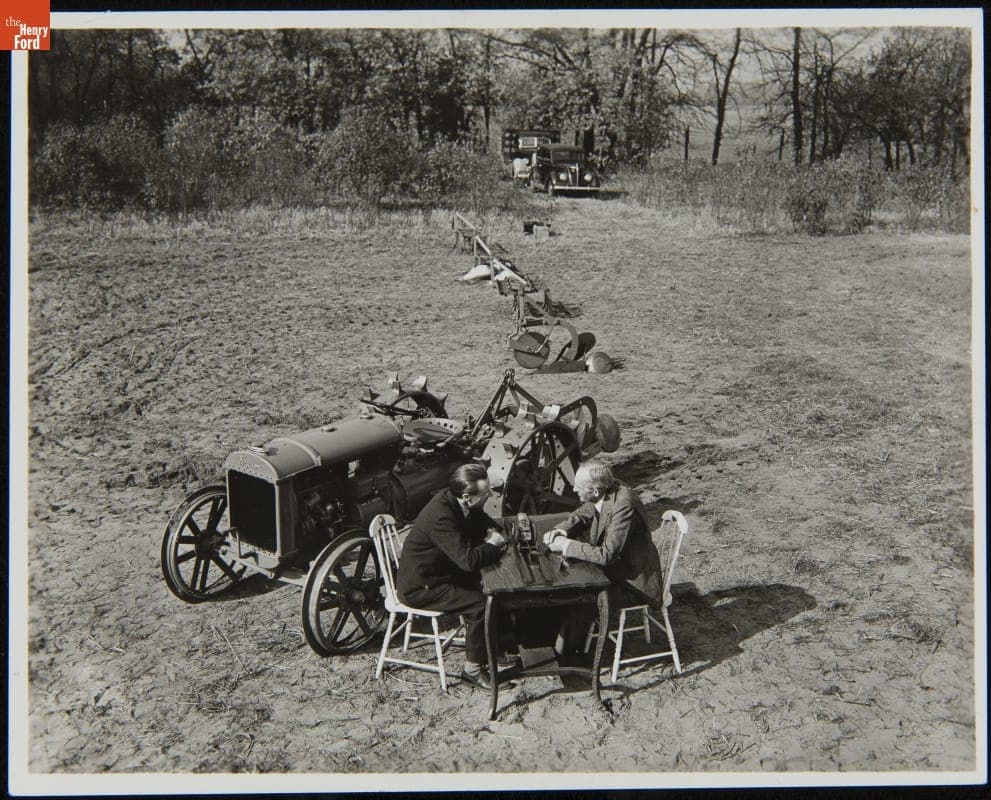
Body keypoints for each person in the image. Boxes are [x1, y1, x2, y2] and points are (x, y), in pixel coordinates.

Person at [397, 463, 509, 689]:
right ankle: (472, 671)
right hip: (422, 586)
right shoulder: (442, 517)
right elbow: (468, 562)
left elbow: (478, 518)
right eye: (486, 493)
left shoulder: (456, 499)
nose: (490, 495)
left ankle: (493, 650)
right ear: (467, 496)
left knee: (495, 589)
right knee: (481, 605)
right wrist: (493, 545)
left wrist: (495, 530)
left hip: (440, 572)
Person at [542, 460, 663, 659]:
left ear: (596, 491)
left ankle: (568, 657)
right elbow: (585, 511)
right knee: (565, 581)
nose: (573, 489)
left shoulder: (624, 505)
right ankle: (554, 638)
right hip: (618, 566)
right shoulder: (608, 487)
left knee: (580, 595)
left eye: (578, 488)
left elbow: (606, 555)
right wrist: (561, 529)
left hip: (632, 580)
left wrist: (566, 546)